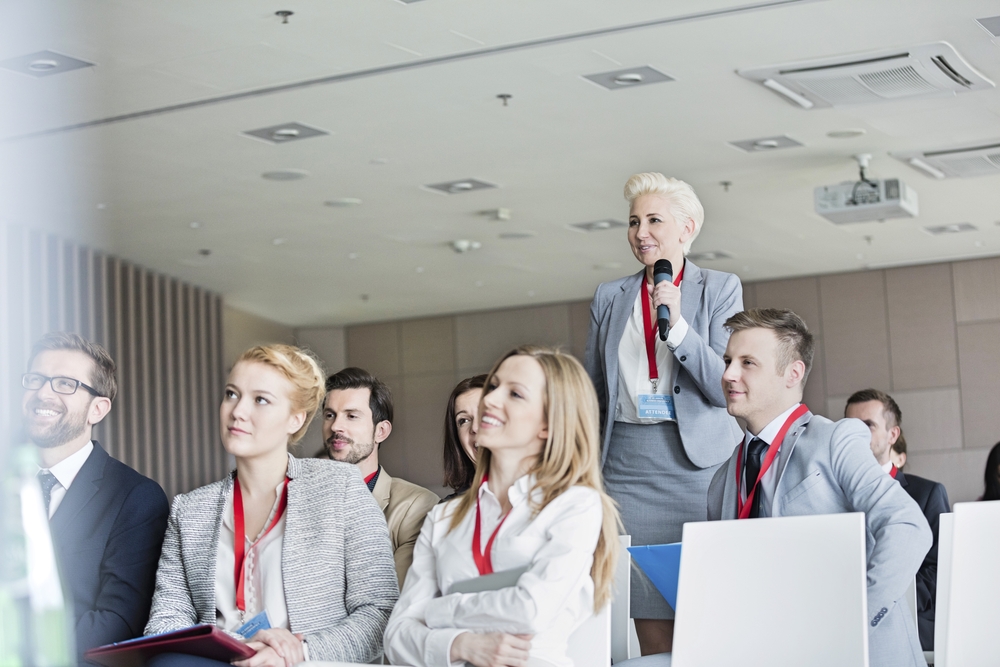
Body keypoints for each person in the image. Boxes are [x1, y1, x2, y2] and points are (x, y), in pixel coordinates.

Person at [145, 345, 398, 666]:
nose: (238, 411)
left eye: (260, 399)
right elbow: (165, 622)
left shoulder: (341, 487)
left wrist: (298, 651)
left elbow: (380, 612)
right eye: (231, 394)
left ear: (295, 418)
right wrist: (241, 646)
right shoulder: (190, 509)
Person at [708, 309, 931, 667]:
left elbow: (907, 526)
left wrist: (852, 624)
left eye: (748, 362)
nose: (728, 374)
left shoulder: (836, 440)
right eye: (728, 361)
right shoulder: (722, 479)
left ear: (793, 373)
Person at [583, 172, 742, 653]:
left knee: (709, 616)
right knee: (647, 612)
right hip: (626, 470)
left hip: (700, 471)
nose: (641, 232)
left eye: (654, 220)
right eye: (634, 222)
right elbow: (594, 390)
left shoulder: (719, 288)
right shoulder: (609, 296)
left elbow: (724, 387)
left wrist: (679, 330)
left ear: (687, 228)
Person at [384, 346, 621, 667]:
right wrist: (460, 644)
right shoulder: (443, 516)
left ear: (548, 425)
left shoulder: (574, 505)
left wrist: (437, 610)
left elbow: (530, 609)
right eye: (494, 386)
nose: (490, 399)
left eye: (515, 394)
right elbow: (397, 637)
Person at [21, 332, 169, 662]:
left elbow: (117, 624)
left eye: (65, 384)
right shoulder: (10, 482)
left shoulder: (136, 498)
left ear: (98, 409)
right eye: (36, 379)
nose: (43, 393)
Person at [845, 389, 949, 651]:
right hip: (844, 624)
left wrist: (883, 598)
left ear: (893, 435)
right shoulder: (834, 495)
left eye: (868, 426)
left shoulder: (927, 493)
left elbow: (940, 570)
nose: (856, 434)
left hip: (909, 628)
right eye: (850, 426)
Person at [323, 367, 440, 587]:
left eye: (351, 416)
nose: (336, 426)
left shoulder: (416, 506)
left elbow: (394, 594)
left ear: (381, 431)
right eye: (330, 415)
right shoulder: (300, 501)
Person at [442, 374, 488, 501]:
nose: (475, 428)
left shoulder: (539, 494)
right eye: (463, 421)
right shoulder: (446, 509)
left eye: (485, 414)